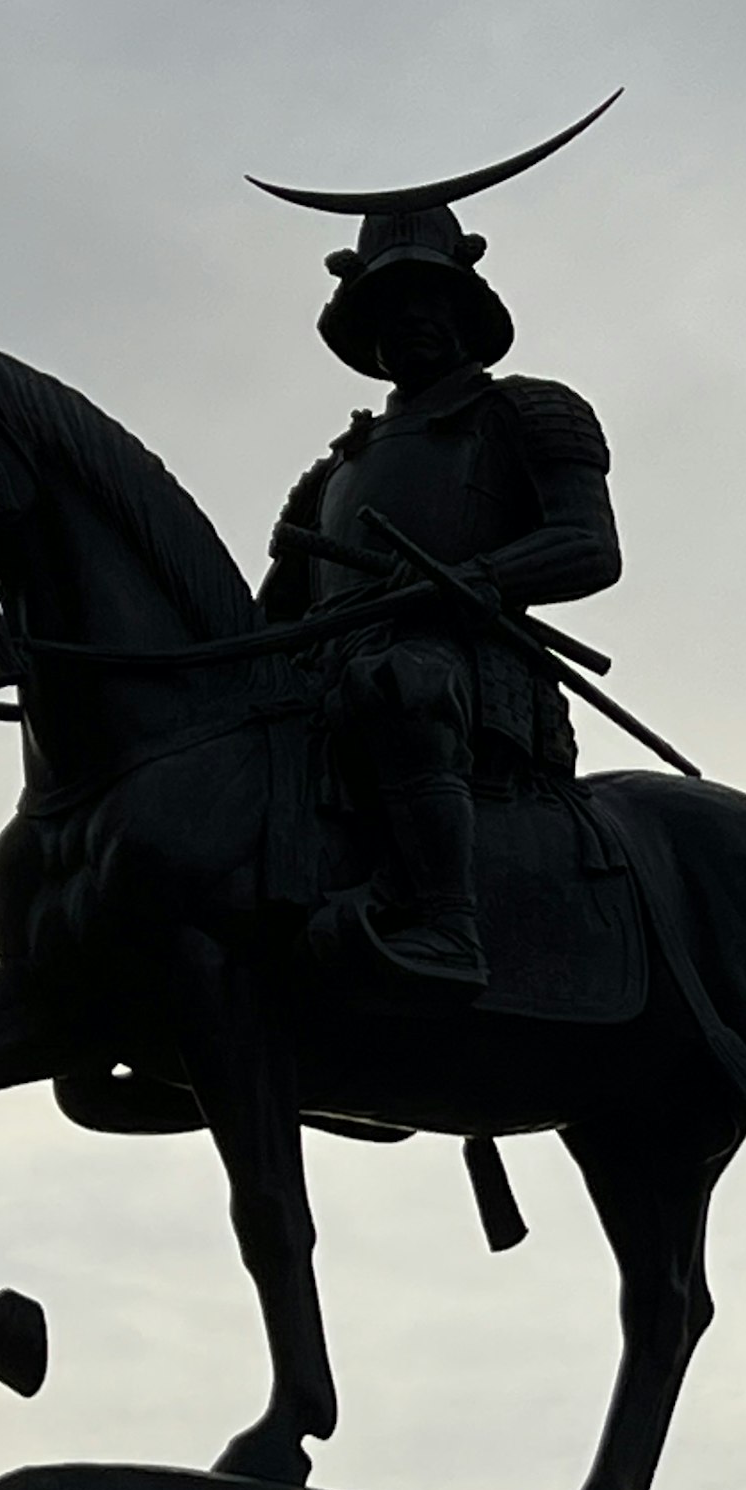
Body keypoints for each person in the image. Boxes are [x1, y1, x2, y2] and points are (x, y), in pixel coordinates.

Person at [250, 112, 624, 999]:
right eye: (388, 309)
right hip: (329, 672)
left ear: (464, 312)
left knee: (402, 682)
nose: (411, 322)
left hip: (461, 666)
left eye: (428, 302)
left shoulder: (530, 411)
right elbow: (272, 615)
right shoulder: (333, 470)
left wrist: (471, 581)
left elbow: (588, 546)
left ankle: (448, 923)